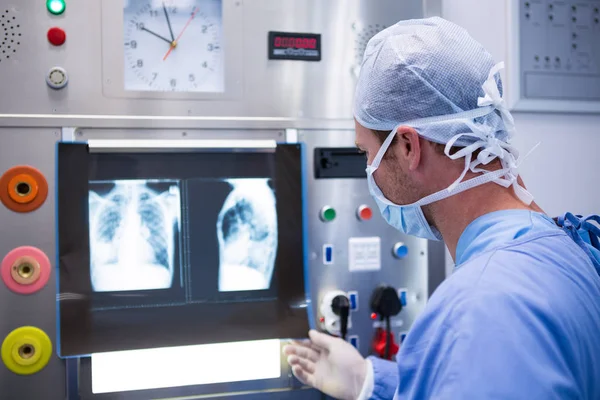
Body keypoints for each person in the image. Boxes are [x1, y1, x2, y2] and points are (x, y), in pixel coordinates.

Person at [283, 16, 600, 399]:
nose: (369, 172)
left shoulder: (480, 310)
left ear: (407, 147)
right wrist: (370, 382)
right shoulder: (564, 248)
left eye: (368, 153)